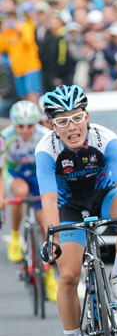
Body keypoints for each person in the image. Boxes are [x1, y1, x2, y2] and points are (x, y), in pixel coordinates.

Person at [35, 85, 117, 336]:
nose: (72, 127)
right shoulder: (46, 150)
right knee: (69, 276)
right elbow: (48, 199)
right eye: (62, 121)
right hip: (68, 205)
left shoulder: (106, 139)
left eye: (77, 118)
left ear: (87, 116)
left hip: (104, 194)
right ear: (52, 125)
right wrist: (51, 238)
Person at [0, 101, 57, 303]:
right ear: (14, 124)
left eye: (30, 126)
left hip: (37, 176)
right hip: (15, 174)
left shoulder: (45, 136)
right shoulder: (4, 138)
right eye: (20, 126)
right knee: (21, 191)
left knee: (44, 222)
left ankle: (49, 275)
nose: (25, 130)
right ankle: (15, 236)